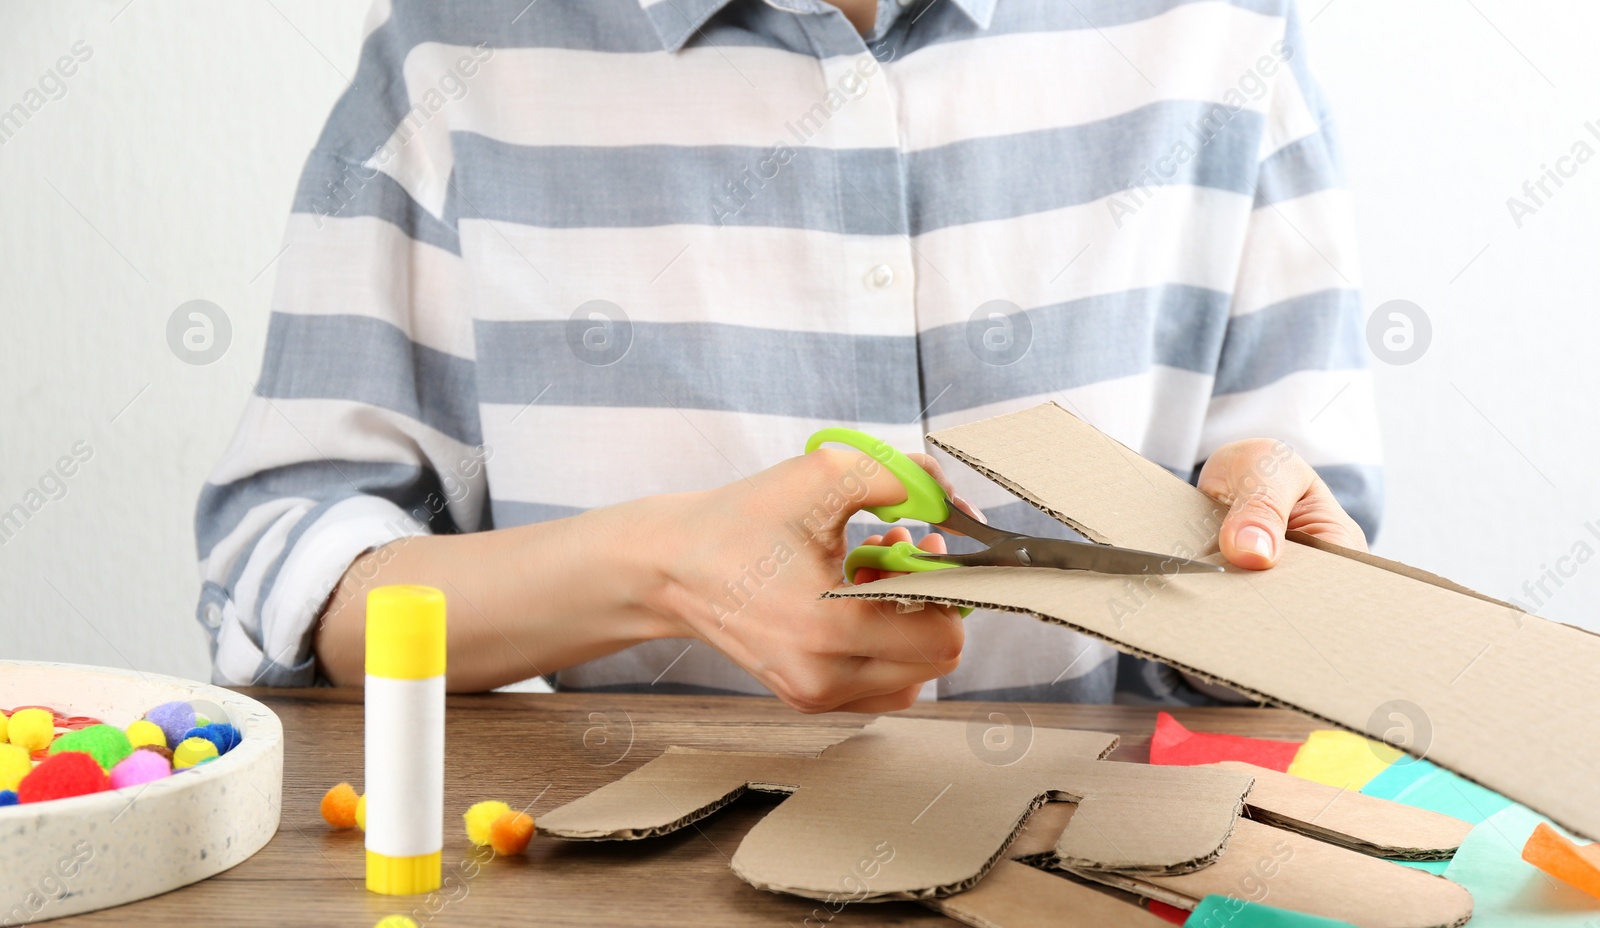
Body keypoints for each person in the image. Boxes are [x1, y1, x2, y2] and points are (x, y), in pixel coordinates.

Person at [194, 0, 1379, 712]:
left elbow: (1313, 590)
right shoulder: (454, 45)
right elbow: (296, 575)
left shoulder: (1223, 28)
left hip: (1117, 926)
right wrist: (662, 568)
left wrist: (1278, 584)